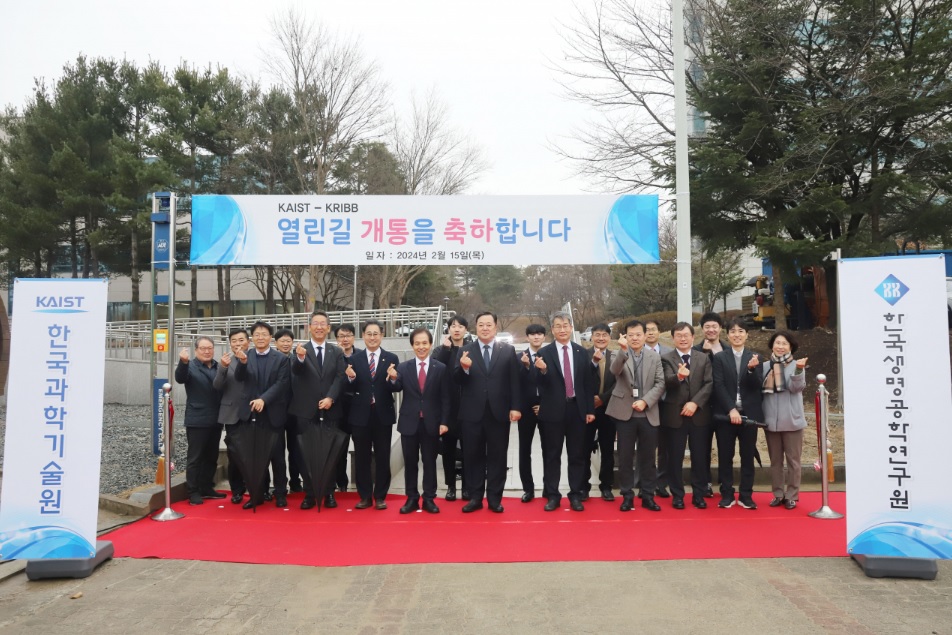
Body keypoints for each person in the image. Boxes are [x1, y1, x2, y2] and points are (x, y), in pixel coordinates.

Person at [454, 311, 522, 513]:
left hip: (498, 412)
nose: (485, 328)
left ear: (495, 327)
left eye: (488, 325)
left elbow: (514, 382)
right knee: (472, 456)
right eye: (481, 324)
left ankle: (494, 498)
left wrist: (516, 407)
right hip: (471, 413)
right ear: (476, 327)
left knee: (497, 457)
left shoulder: (508, 350)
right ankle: (475, 497)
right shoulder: (465, 351)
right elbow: (457, 380)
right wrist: (463, 368)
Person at [532, 312, 596, 512]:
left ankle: (575, 495)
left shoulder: (580, 352)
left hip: (577, 410)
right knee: (552, 455)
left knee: (576, 455)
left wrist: (589, 410)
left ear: (571, 327)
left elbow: (587, 384)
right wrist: (542, 370)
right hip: (552, 411)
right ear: (552, 330)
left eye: (565, 325)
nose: (562, 329)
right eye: (558, 326)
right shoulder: (544, 353)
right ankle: (553, 495)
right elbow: (539, 385)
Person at [389, 328, 451, 514]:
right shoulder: (403, 367)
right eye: (417, 343)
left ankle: (429, 498)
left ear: (431, 345)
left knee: (430, 462)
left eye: (424, 343)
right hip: (409, 422)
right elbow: (397, 387)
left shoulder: (440, 368)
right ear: (412, 345)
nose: (421, 347)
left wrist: (444, 421)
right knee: (410, 462)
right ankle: (412, 498)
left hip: (432, 422)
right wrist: (392, 379)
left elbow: (446, 398)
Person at [606, 320, 665, 512]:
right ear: (625, 336)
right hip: (625, 413)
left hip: (648, 412)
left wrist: (646, 401)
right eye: (630, 335)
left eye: (638, 334)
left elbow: (660, 383)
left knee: (648, 458)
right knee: (625, 457)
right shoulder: (618, 353)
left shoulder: (654, 357)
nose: (635, 338)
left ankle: (648, 495)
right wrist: (622, 351)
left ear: (645, 335)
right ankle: (627, 496)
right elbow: (614, 371)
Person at [290, 311, 346, 510]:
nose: (319, 327)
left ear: (329, 328)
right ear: (309, 327)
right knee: (306, 453)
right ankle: (310, 493)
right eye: (316, 323)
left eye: (323, 323)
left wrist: (331, 397)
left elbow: (340, 377)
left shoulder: (336, 352)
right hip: (305, 411)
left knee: (330, 452)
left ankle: (329, 492)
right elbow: (295, 372)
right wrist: (300, 358)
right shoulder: (300, 350)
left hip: (331, 410)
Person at [234, 321, 290, 509]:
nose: (260, 337)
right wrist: (241, 363)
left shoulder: (281, 359)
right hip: (251, 414)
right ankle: (257, 494)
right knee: (255, 458)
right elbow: (239, 378)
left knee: (277, 458)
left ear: (270, 337)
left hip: (272, 414)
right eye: (256, 334)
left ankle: (281, 493)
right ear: (252, 338)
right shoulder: (245, 356)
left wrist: (264, 399)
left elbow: (281, 384)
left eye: (264, 334)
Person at [345, 319, 400, 510]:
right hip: (360, 415)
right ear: (363, 336)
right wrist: (350, 378)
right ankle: (365, 496)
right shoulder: (354, 359)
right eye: (369, 334)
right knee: (362, 457)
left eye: (376, 334)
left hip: (383, 414)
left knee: (383, 456)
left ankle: (381, 496)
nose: (372, 337)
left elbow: (396, 386)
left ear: (382, 336)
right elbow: (348, 387)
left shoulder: (391, 358)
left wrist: (393, 379)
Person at [660, 322, 713, 510]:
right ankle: (678, 495)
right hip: (674, 416)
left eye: (686, 335)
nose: (683, 338)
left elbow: (709, 384)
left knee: (699, 457)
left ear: (692, 337)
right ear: (673, 338)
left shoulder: (703, 358)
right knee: (674, 458)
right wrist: (679, 377)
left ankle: (699, 495)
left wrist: (695, 403)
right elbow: (666, 381)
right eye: (678, 335)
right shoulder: (666, 358)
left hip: (699, 416)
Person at [711, 318, 764, 510]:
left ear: (747, 334)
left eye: (741, 331)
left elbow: (758, 386)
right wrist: (730, 409)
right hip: (726, 416)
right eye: (733, 331)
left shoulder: (756, 357)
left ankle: (746, 495)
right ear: (727, 335)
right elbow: (718, 385)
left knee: (747, 456)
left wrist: (751, 370)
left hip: (749, 417)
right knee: (725, 456)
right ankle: (726, 493)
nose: (737, 334)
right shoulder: (719, 358)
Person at [761, 331, 808, 510]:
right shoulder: (765, 366)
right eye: (777, 343)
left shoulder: (797, 365)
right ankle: (778, 494)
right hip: (771, 420)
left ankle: (792, 495)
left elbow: (796, 388)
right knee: (775, 461)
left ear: (791, 347)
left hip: (792, 420)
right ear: (772, 345)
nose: (780, 346)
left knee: (793, 461)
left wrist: (799, 370)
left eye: (784, 344)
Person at [175, 336, 224, 506]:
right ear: (196, 350)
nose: (207, 351)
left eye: (210, 348)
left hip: (216, 419)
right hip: (197, 419)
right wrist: (182, 362)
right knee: (195, 458)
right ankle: (193, 491)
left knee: (212, 456)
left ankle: (207, 487)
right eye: (203, 348)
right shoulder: (190, 366)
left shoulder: (219, 366)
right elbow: (180, 378)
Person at [432, 315, 470, 501]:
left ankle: (467, 487)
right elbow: (435, 369)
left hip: (468, 406)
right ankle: (451, 487)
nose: (456, 329)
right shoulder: (441, 349)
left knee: (469, 449)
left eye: (460, 326)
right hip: (446, 408)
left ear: (466, 330)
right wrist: (446, 350)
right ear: (448, 329)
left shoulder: (471, 349)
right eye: (453, 326)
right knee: (447, 450)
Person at [692, 311, 729, 498]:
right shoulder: (696, 350)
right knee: (702, 448)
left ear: (720, 328)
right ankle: (704, 482)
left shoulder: (729, 349)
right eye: (707, 326)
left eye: (714, 326)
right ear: (702, 329)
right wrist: (706, 353)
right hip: (703, 407)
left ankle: (725, 483)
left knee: (725, 448)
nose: (711, 329)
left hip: (724, 407)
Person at [213, 328, 251, 505]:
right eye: (234, 341)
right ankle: (237, 490)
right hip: (232, 414)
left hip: (253, 412)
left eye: (241, 340)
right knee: (234, 454)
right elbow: (217, 386)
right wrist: (223, 368)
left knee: (254, 453)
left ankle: (256, 487)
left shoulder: (255, 358)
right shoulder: (225, 361)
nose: (238, 343)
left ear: (248, 342)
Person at [585, 323, 617, 501]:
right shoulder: (583, 355)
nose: (601, 338)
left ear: (609, 338)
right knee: (584, 449)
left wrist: (602, 398)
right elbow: (581, 380)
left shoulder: (617, 356)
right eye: (597, 334)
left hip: (609, 409)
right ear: (591, 337)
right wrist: (591, 400)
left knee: (607, 449)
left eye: (604, 335)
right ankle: (584, 486)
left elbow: (620, 382)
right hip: (588, 410)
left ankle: (606, 486)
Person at [517, 323, 547, 502]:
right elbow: (515, 384)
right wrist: (526, 367)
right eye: (532, 334)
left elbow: (553, 384)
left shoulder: (550, 356)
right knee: (524, 449)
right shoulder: (518, 357)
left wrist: (544, 404)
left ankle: (548, 487)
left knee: (548, 449)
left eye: (539, 334)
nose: (536, 337)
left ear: (544, 337)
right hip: (526, 409)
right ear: (527, 337)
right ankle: (528, 488)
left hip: (546, 407)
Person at [645, 319, 675, 497]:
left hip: (664, 404)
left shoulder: (668, 352)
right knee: (646, 446)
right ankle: (644, 483)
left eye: (653, 329)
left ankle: (661, 483)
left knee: (664, 447)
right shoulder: (637, 352)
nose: (650, 333)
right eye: (647, 330)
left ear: (659, 331)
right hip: (644, 405)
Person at [334, 323, 360, 491]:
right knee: (339, 450)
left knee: (361, 447)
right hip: (338, 409)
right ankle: (341, 483)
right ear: (336, 339)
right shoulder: (333, 357)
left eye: (348, 335)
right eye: (341, 336)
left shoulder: (362, 356)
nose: (345, 339)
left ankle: (361, 483)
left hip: (358, 408)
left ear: (354, 337)